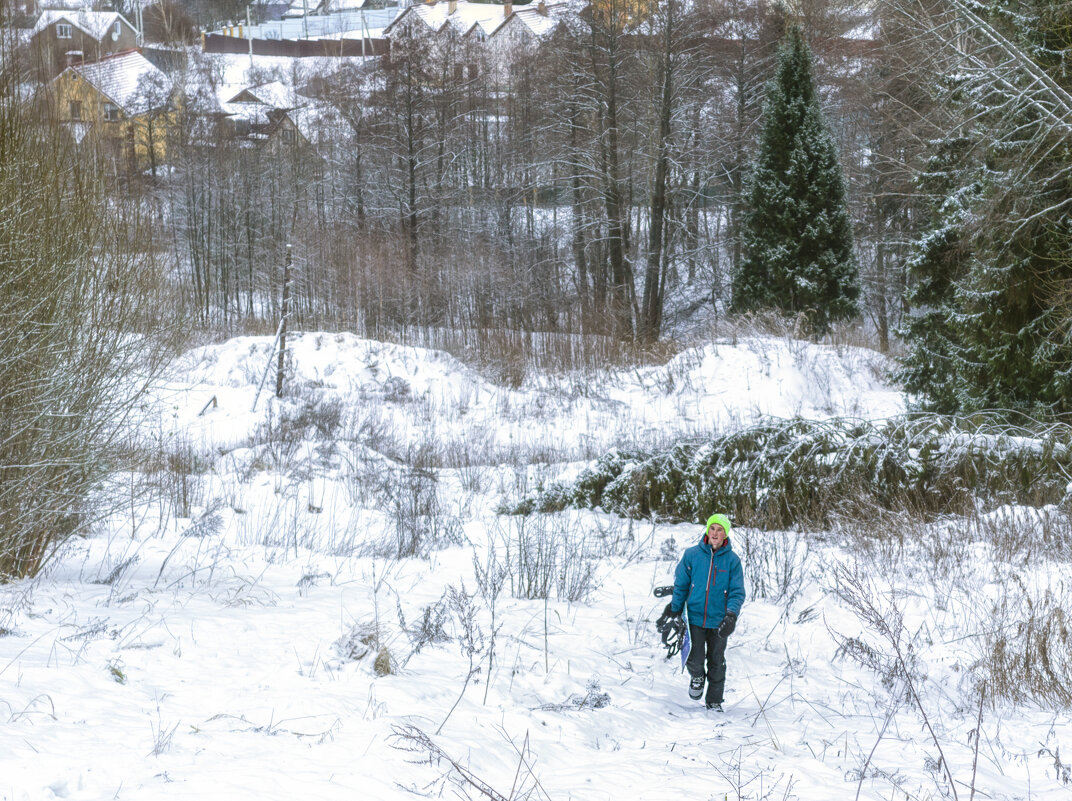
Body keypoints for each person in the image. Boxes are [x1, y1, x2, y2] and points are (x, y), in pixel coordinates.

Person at [662, 513, 745, 710]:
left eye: (720, 530)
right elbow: (681, 584)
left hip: (719, 620)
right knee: (694, 656)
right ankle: (697, 677)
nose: (715, 533)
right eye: (712, 528)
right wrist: (675, 609)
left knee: (717, 661)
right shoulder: (692, 555)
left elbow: (737, 592)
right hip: (694, 617)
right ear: (707, 530)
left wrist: (731, 615)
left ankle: (714, 700)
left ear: (725, 534)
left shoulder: (732, 561)